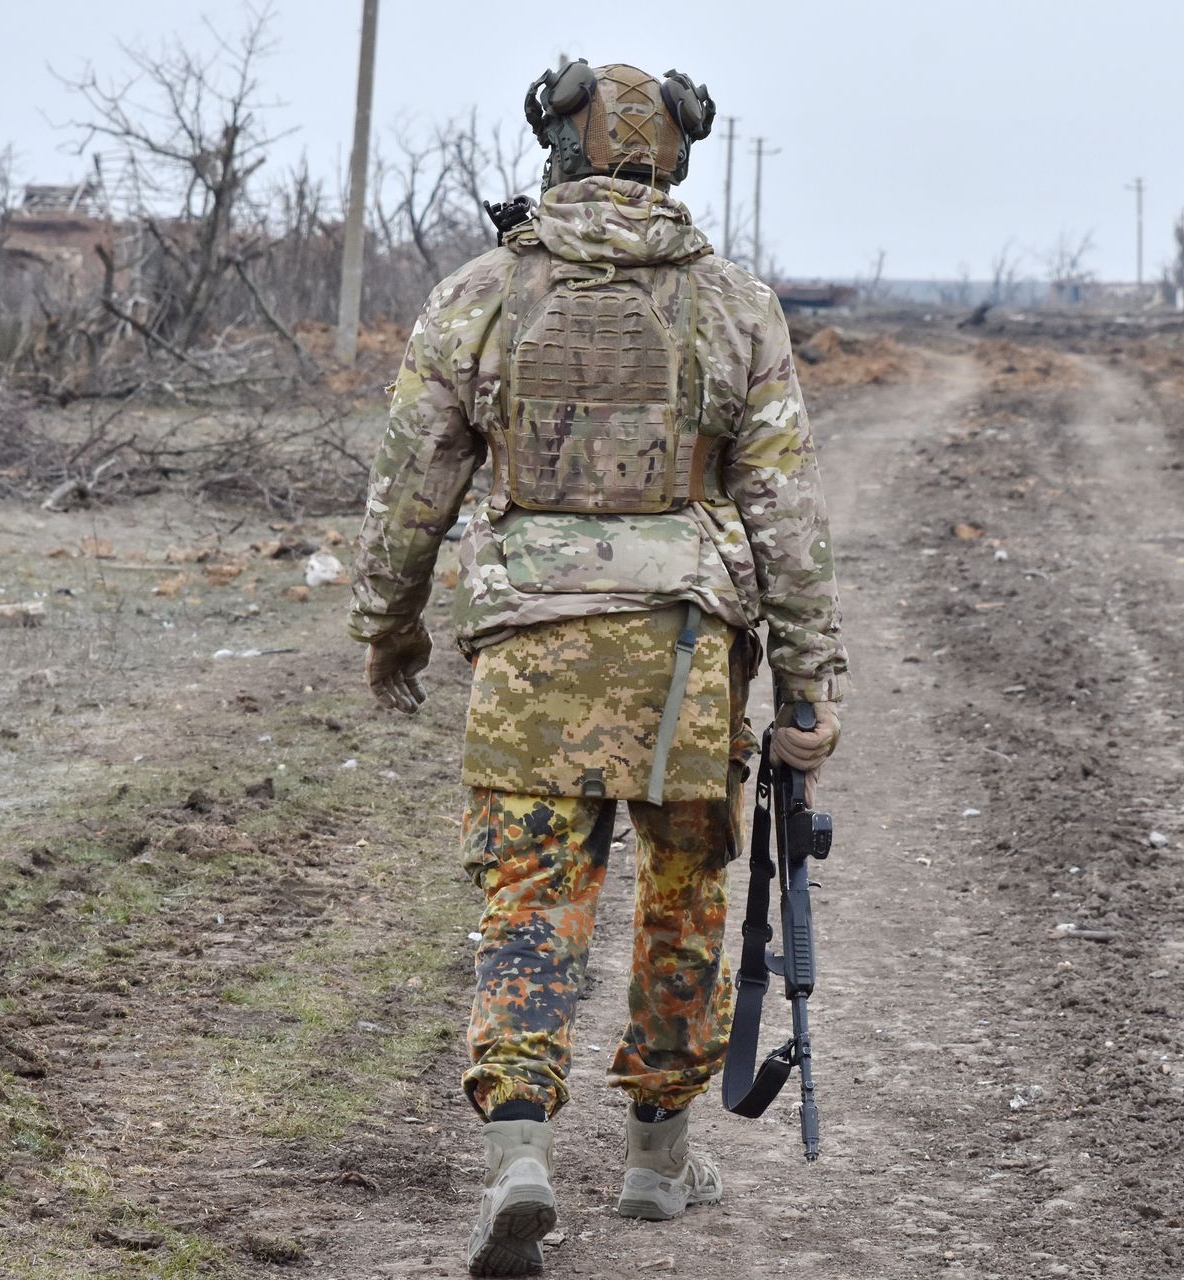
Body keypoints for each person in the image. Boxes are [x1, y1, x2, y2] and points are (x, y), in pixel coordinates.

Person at [348, 58, 845, 1278]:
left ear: (557, 149)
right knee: (685, 898)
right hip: (685, 656)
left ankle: (520, 1152)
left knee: (529, 900)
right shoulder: (737, 307)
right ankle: (656, 1159)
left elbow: (411, 487)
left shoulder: (478, 295)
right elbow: (783, 511)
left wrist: (391, 625)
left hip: (529, 649)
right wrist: (807, 685)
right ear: (677, 156)